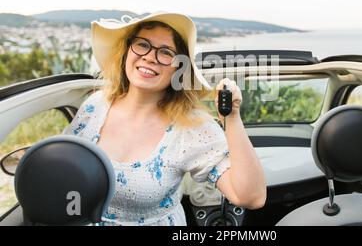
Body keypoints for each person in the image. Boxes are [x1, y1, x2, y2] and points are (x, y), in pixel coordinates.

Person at [62, 12, 266, 226]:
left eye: (166, 52)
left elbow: (251, 196)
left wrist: (232, 118)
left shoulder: (191, 126)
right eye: (142, 45)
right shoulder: (95, 105)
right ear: (127, 50)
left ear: (180, 67)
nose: (150, 57)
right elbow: (65, 167)